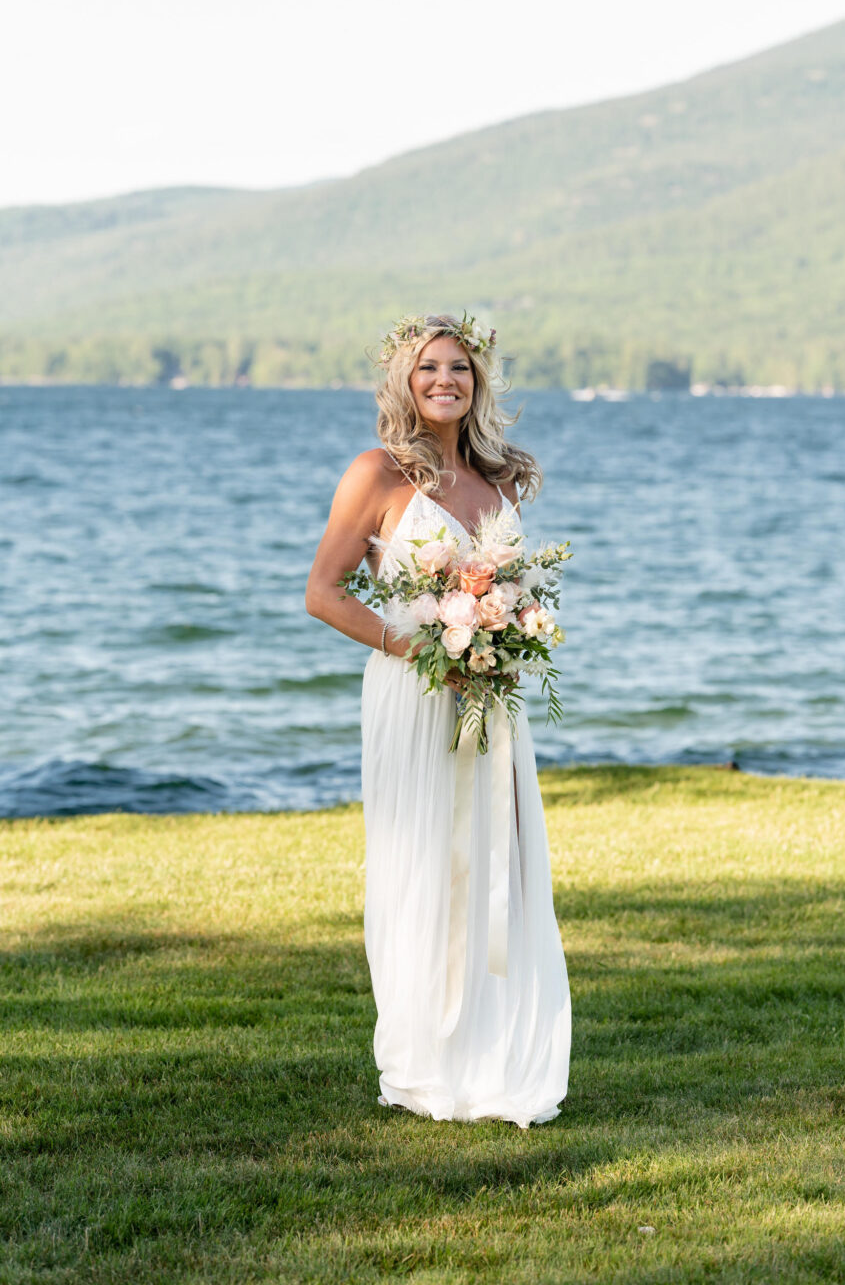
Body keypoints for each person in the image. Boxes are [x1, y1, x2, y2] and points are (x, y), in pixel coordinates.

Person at [305, 312, 571, 1127]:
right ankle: (429, 1056)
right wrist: (416, 648)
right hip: (412, 692)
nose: (444, 380)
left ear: (478, 381)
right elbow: (324, 593)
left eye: (459, 367)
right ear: (404, 382)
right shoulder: (376, 474)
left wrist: (506, 635)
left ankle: (498, 1058)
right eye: (428, 369)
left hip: (492, 698)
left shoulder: (500, 480)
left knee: (501, 863)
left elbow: (516, 585)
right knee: (423, 861)